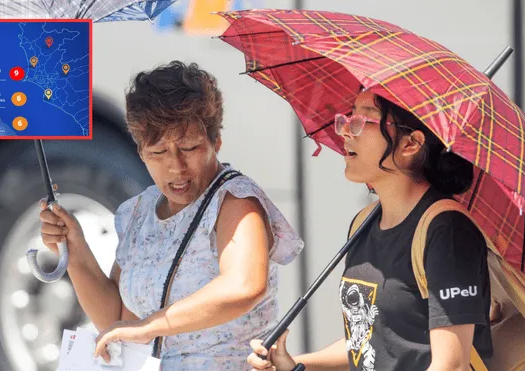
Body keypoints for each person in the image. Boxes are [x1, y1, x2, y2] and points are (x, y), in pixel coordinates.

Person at [38, 60, 304, 370]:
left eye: (190, 148)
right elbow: (119, 323)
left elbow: (245, 286)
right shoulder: (138, 212)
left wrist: (152, 325)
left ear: (216, 142)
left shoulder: (235, 201)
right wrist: (75, 249)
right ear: (140, 152)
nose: (176, 166)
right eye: (159, 153)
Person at [247, 88, 493, 371]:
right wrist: (293, 364)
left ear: (410, 144)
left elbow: (452, 365)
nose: (345, 132)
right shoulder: (362, 223)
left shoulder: (447, 230)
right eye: (347, 117)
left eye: (363, 121)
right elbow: (370, 340)